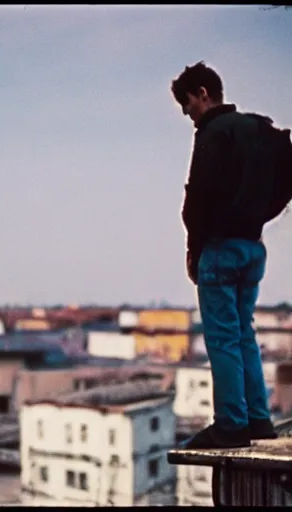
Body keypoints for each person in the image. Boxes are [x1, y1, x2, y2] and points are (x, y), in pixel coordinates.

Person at [170, 61, 278, 449]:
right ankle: (258, 420)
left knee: (223, 340)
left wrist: (194, 248)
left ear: (202, 93)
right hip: (252, 246)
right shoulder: (258, 129)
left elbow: (197, 197)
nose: (189, 115)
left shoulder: (212, 133)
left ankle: (232, 423)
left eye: (188, 105)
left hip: (220, 248)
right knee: (243, 334)